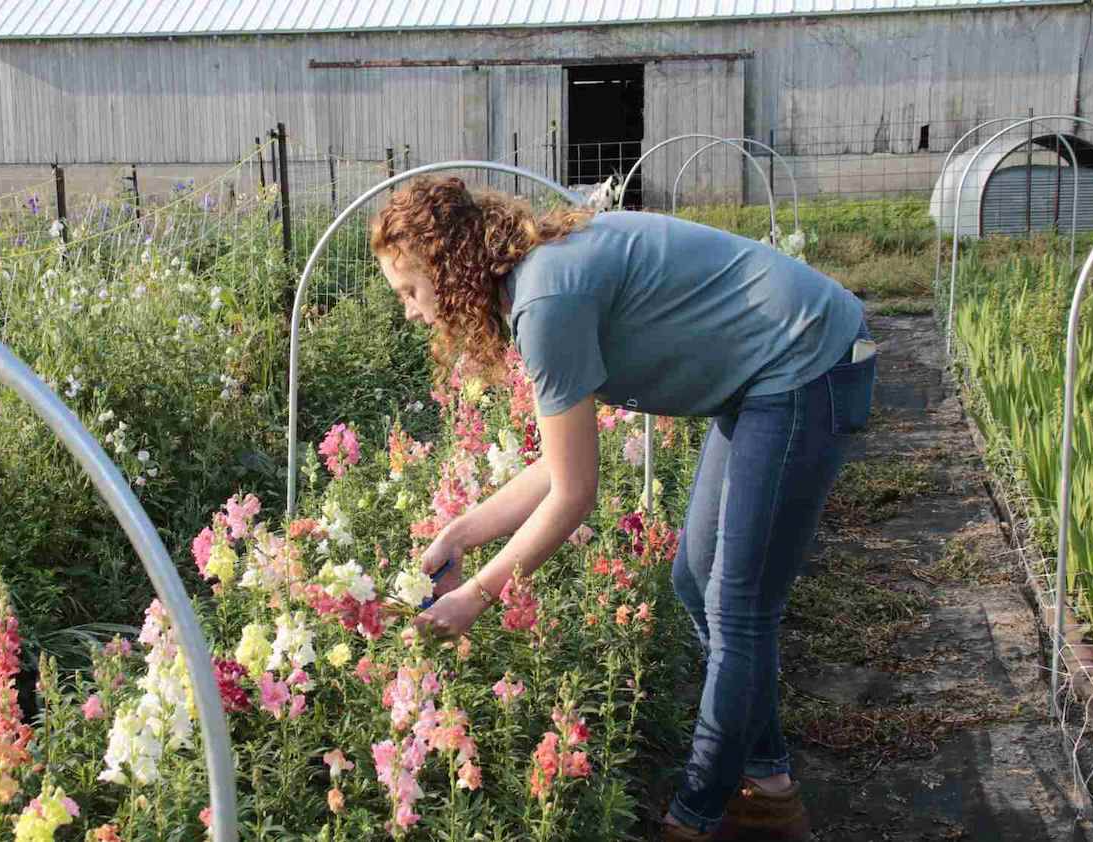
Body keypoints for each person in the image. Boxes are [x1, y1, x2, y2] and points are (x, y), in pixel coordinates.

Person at [371, 176, 877, 841]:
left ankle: (695, 816)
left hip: (807, 361)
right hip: (762, 375)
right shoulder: (535, 279)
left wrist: (477, 597)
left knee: (739, 607)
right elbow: (559, 464)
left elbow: (575, 494)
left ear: (450, 268)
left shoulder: (547, 298)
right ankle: (769, 785)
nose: (410, 312)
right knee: (695, 581)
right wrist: (462, 532)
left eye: (411, 291)